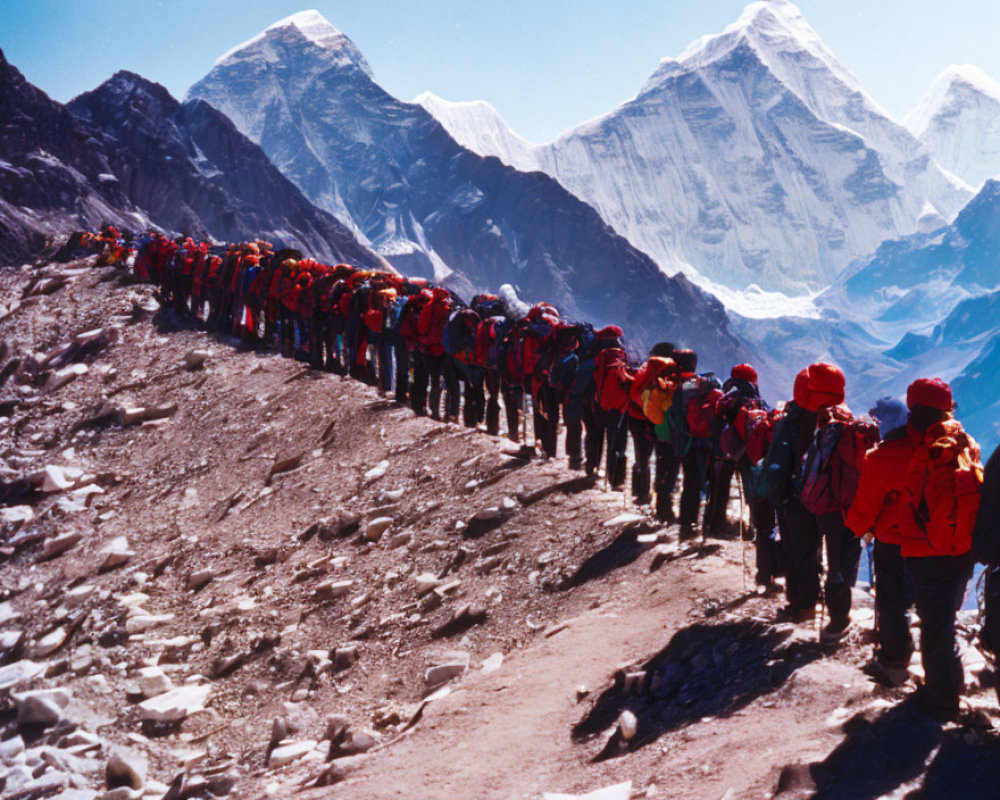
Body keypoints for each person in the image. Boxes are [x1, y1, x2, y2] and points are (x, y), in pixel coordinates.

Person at [900, 377, 981, 719]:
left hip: (923, 550)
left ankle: (942, 699)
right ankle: (951, 680)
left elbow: (908, 498)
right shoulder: (966, 443)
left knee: (934, 623)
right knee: (945, 618)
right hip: (962, 548)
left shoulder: (913, 446)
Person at [846, 396, 916, 683]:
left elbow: (866, 506)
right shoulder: (924, 449)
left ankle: (894, 659)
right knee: (918, 595)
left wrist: (857, 529)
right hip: (929, 539)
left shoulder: (880, 457)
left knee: (891, 598)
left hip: (893, 538)